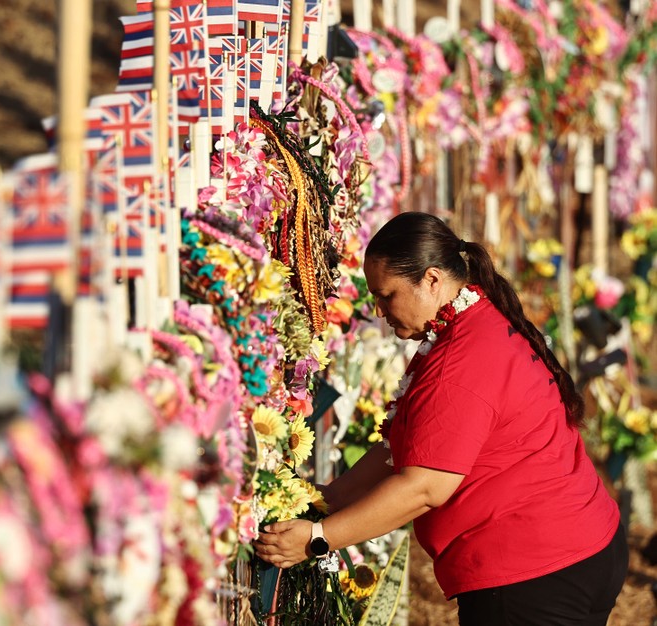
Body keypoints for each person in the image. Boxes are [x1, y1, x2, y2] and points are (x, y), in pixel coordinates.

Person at [255, 212, 628, 625]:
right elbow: (411, 443)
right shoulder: (474, 321)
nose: (380, 311)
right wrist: (331, 499)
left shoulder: (460, 360)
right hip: (579, 545)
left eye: (387, 296)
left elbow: (424, 486)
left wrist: (318, 540)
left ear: (432, 280)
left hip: (534, 571)